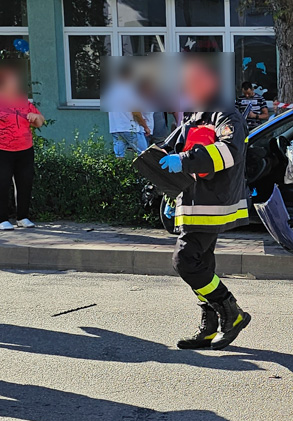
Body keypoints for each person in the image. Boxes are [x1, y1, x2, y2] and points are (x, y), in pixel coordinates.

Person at [158, 56, 251, 350]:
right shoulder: (196, 115)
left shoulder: (225, 115)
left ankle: (231, 311)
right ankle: (209, 326)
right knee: (202, 264)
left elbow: (228, 151)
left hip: (212, 203)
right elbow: (171, 146)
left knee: (185, 261)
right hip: (193, 201)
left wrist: (182, 160)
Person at [0, 65, 44, 230]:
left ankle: (22, 217)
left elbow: (40, 122)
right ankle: (2, 219)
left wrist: (36, 117)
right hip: (3, 150)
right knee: (2, 183)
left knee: (25, 183)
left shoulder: (24, 102)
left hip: (25, 149)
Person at [106, 64, 150, 158]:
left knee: (119, 156)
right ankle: (141, 173)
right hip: (130, 127)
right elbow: (135, 112)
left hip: (115, 128)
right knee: (144, 155)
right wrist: (145, 127)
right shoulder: (129, 90)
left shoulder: (111, 91)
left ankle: (120, 172)